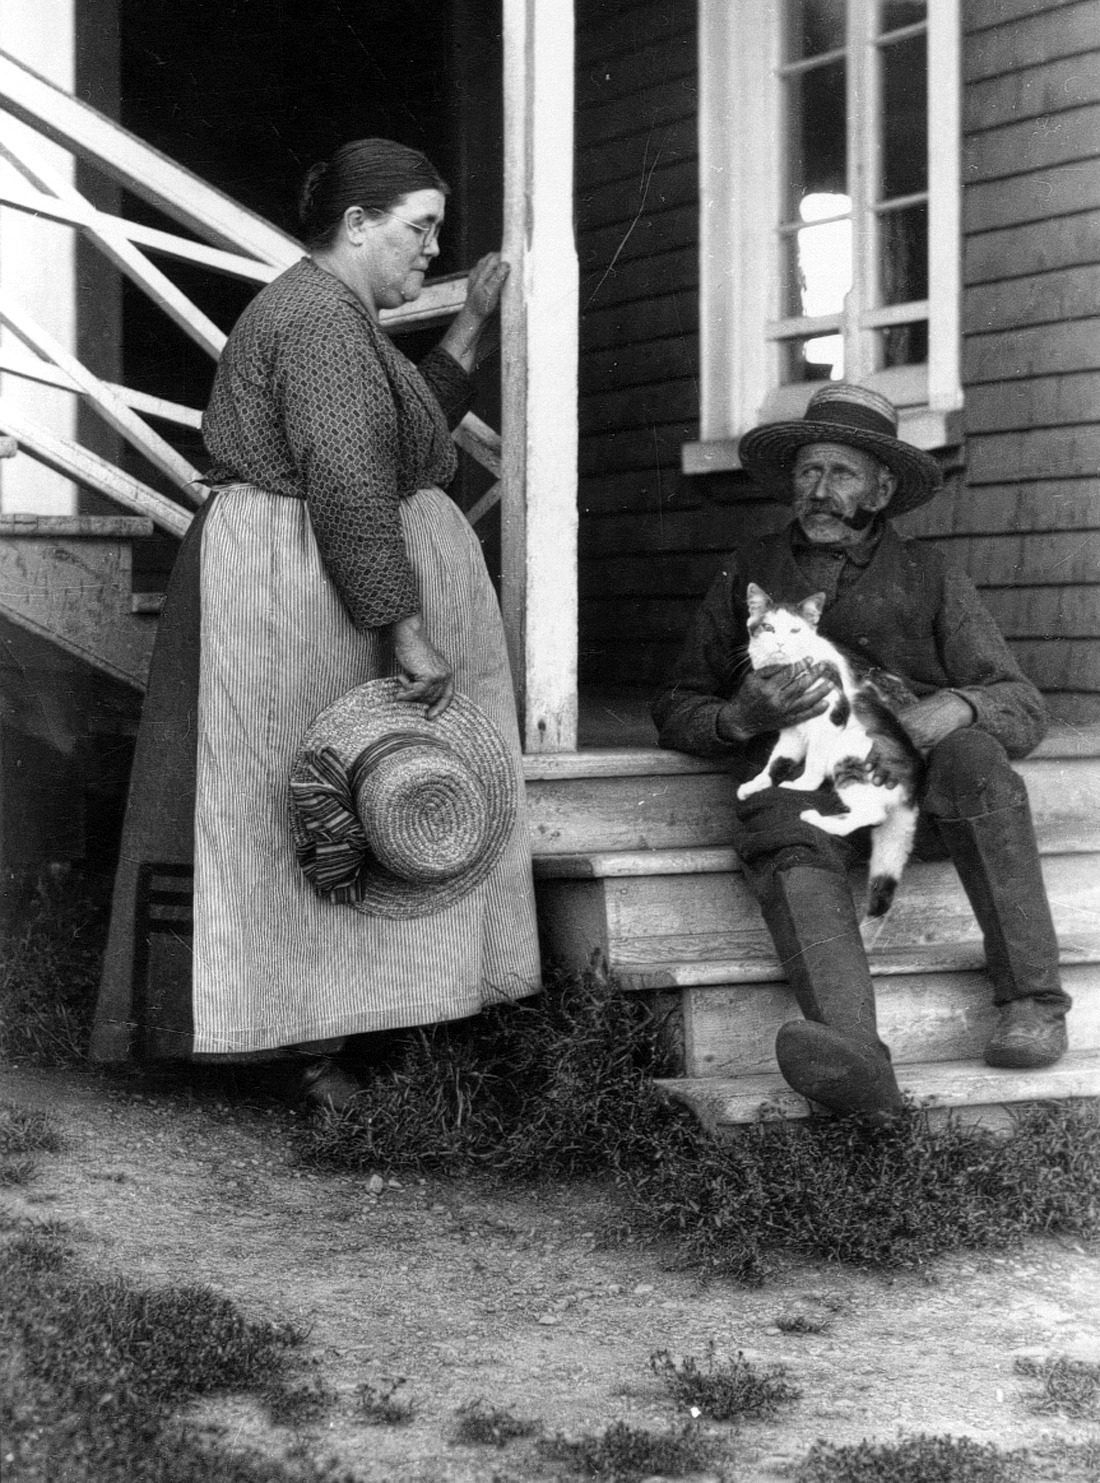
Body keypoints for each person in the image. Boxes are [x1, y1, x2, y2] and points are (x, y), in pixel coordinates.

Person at [91, 138, 540, 1107]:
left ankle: (327, 1036)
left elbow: (407, 423)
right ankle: (303, 1049)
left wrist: (471, 324)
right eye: (419, 228)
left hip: (302, 589)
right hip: (295, 596)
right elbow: (346, 479)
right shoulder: (320, 321)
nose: (430, 248)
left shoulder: (337, 319)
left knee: (326, 803)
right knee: (303, 806)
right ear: (356, 223)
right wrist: (402, 622)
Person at [651, 381, 1069, 1122]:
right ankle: (855, 1062)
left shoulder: (933, 576)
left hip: (920, 798)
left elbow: (1024, 703)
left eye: (841, 474)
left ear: (879, 490)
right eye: (809, 471)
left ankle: (1033, 1002)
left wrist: (961, 704)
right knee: (777, 816)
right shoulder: (747, 570)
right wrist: (737, 715)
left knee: (977, 757)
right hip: (805, 797)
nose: (820, 490)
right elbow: (676, 705)